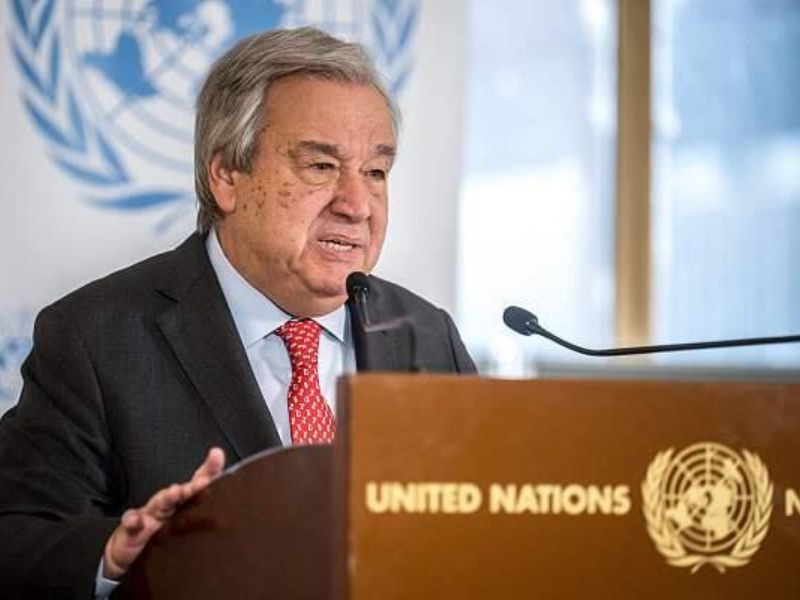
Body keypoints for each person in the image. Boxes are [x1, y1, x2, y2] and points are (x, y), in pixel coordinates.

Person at [0, 26, 476, 598]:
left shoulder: (428, 335)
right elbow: (19, 539)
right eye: (320, 166)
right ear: (226, 175)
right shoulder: (97, 338)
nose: (357, 205)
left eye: (375, 172)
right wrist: (117, 555)